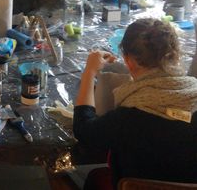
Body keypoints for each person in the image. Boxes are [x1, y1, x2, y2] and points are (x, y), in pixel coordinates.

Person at [73, 18, 197, 189]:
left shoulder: (128, 118)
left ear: (128, 61)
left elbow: (84, 130)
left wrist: (89, 72)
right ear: (176, 56)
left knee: (95, 178)